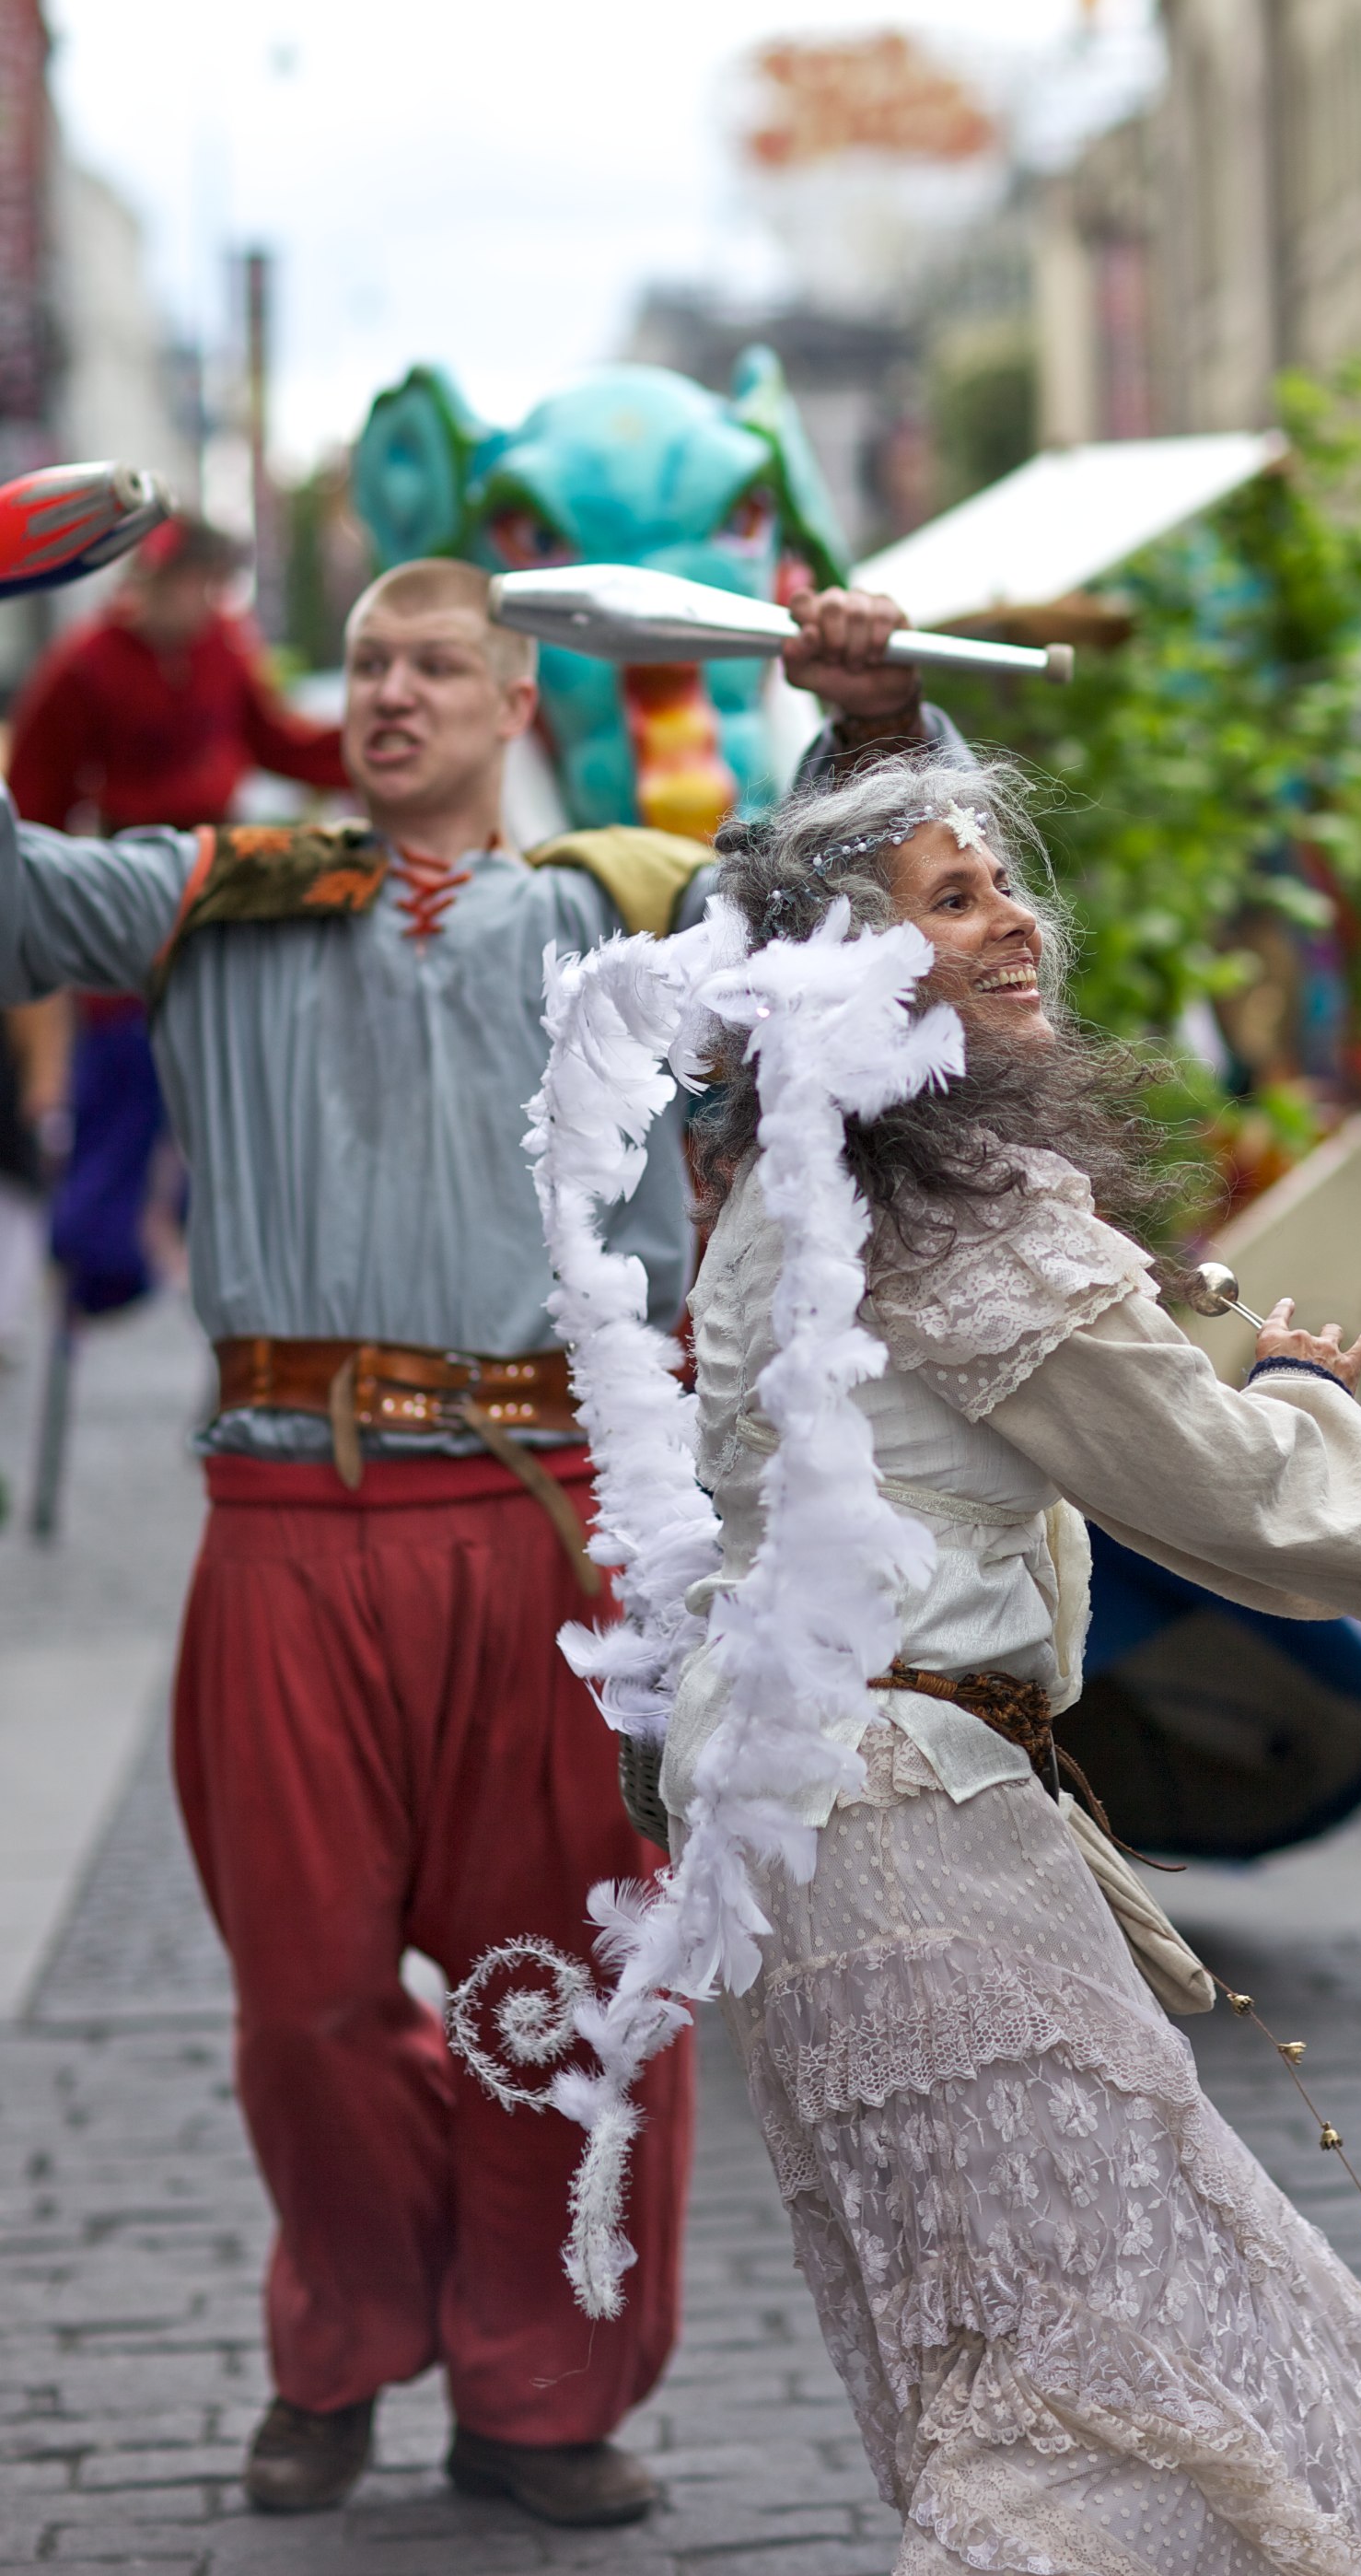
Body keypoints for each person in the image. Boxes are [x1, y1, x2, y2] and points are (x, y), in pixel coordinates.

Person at [0, 555, 940, 2527]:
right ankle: (348, 2333)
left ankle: (539, 2383)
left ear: (520, 700)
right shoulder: (210, 893)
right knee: (302, 1994)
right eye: (365, 663)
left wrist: (867, 719)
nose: (392, 691)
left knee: (568, 1978)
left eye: (436, 662)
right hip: (287, 1512)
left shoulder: (623, 904)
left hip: (551, 1523)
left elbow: (875, 940)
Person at [640, 749, 1361, 2571]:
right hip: (906, 1829)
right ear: (857, 972)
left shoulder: (793, 1186)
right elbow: (1230, 1496)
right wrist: (1322, 1409)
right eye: (953, 898)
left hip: (817, 1827)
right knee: (1070, 2363)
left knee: (1025, 2339)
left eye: (1002, 883)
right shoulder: (963, 1209)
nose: (1016, 919)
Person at [7, 518, 347, 1314]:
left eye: (208, 580)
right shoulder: (85, 664)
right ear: (147, 581)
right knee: (121, 1093)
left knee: (240, 1095)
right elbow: (32, 809)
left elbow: (278, 741)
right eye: (185, 579)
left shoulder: (224, 646)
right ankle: (94, 1269)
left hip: (221, 897)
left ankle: (232, 1253)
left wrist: (376, 750)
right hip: (127, 903)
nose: (198, 597)